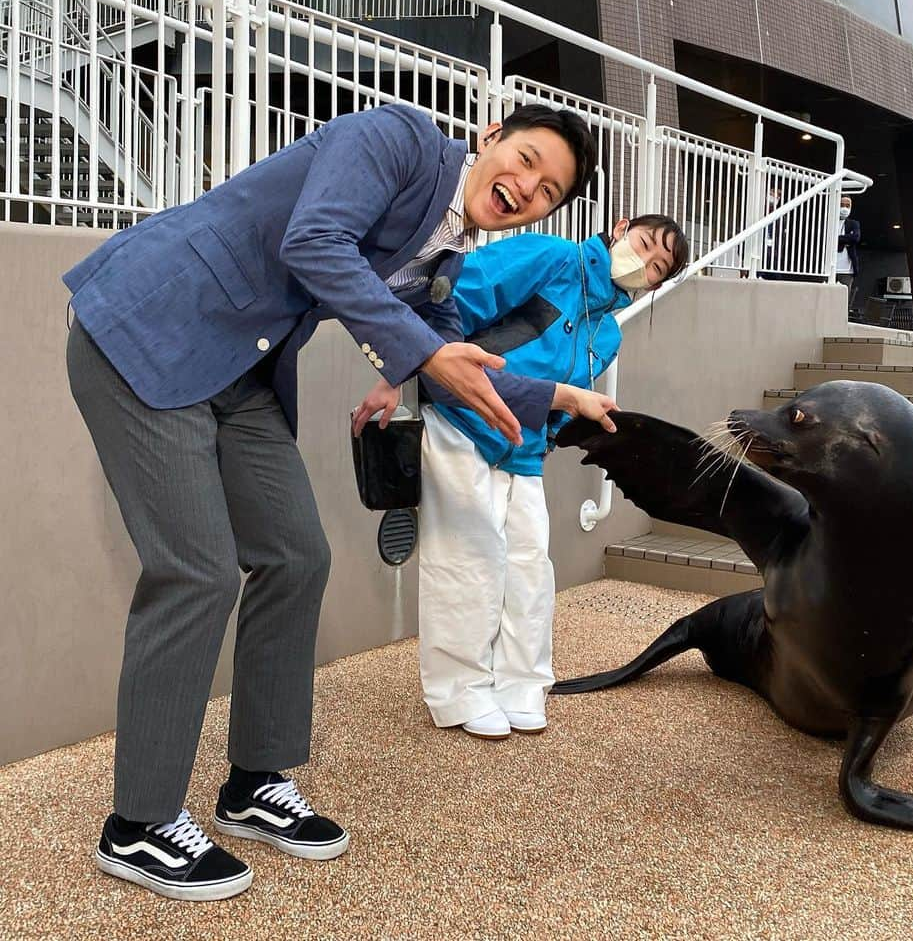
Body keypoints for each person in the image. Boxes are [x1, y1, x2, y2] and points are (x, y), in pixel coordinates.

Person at [64, 101, 616, 901]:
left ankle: (254, 782)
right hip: (148, 327)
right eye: (527, 160)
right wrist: (420, 350)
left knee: (296, 555)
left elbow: (452, 354)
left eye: (547, 193)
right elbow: (314, 239)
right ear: (490, 136)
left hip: (239, 370)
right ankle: (139, 825)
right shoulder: (394, 139)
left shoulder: (445, 255)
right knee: (197, 572)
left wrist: (563, 393)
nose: (526, 187)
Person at [356, 215, 689, 739]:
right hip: (463, 418)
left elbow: (567, 400)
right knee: (467, 559)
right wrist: (394, 374)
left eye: (656, 268)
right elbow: (448, 308)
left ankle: (522, 685)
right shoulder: (551, 256)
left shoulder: (607, 334)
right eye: (644, 244)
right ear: (621, 227)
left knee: (530, 568)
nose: (642, 264)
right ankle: (460, 691)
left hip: (525, 446)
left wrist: (554, 429)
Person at [835, 195, 861, 309]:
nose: (844, 208)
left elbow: (855, 238)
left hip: (847, 270)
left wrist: (838, 238)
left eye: (847, 205)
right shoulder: (829, 221)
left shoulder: (853, 223)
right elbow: (826, 238)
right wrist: (846, 239)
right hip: (830, 269)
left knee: (844, 302)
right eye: (842, 205)